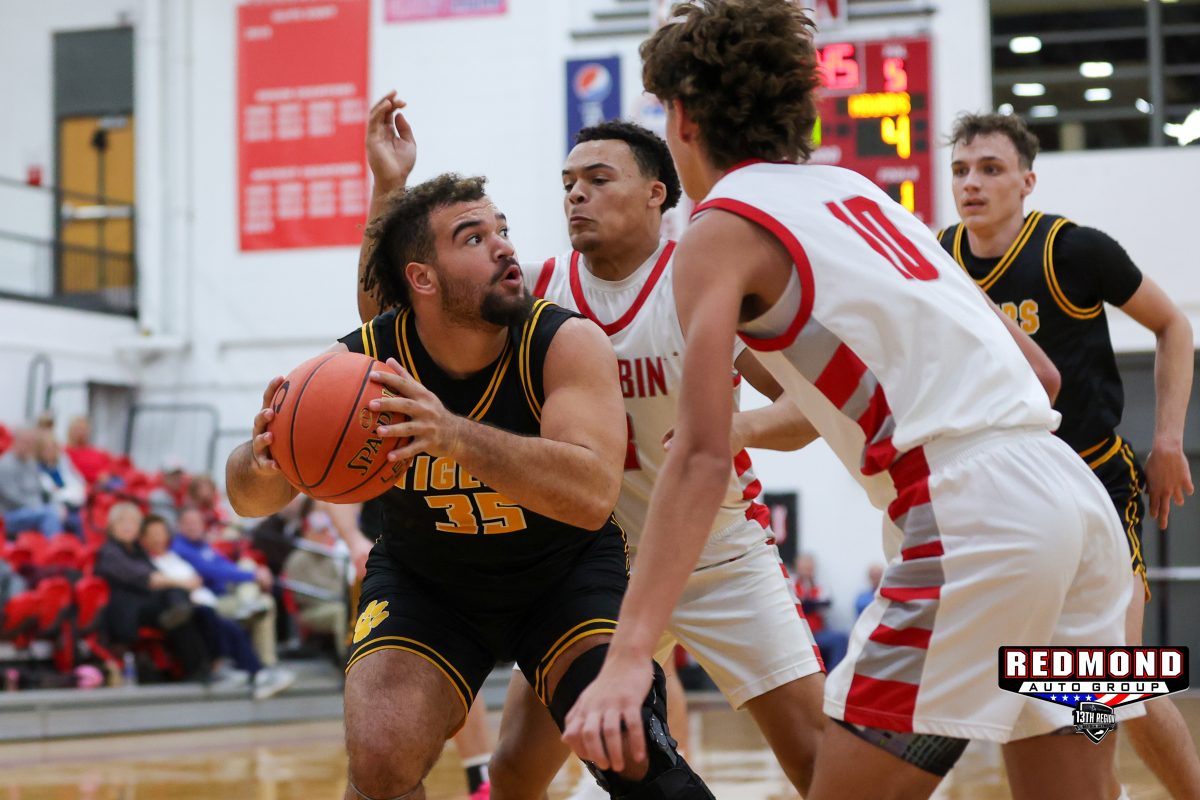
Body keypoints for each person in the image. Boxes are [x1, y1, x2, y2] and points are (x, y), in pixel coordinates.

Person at [563, 3, 1134, 800]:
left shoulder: (718, 231)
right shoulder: (862, 195)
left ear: (683, 117)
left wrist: (630, 657)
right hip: (1078, 506)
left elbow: (697, 458)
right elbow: (1041, 376)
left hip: (972, 520)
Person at [359, 99, 825, 797]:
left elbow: (809, 407)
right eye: (568, 183)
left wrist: (743, 429)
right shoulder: (537, 289)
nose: (576, 194)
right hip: (595, 569)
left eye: (599, 179)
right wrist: (389, 188)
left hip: (716, 557)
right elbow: (393, 316)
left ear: (656, 193)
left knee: (816, 756)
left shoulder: (699, 280)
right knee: (514, 772)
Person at [226, 172, 712, 800]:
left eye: (502, 230)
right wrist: (263, 459)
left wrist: (452, 433)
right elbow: (247, 499)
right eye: (474, 238)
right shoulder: (363, 366)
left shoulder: (562, 342)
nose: (504, 246)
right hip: (428, 583)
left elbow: (593, 496)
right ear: (423, 278)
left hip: (561, 578)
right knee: (379, 758)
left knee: (631, 749)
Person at [940, 111, 1199, 800]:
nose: (971, 183)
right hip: (1011, 497)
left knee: (1117, 678)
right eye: (961, 170)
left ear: (1027, 182)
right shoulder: (939, 259)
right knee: (1057, 686)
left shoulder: (1072, 250)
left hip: (1095, 481)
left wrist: (1167, 439)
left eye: (990, 169)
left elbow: (1173, 325)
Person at [171, 506, 294, 698]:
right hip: (210, 602)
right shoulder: (180, 548)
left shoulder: (203, 546)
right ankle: (263, 666)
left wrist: (253, 573)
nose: (193, 526)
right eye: (188, 523)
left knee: (265, 602)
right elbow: (212, 571)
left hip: (227, 596)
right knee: (252, 580)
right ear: (179, 526)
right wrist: (253, 575)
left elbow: (225, 565)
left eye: (196, 522)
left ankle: (267, 664)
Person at [93, 501, 211, 682]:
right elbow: (148, 579)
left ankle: (200, 669)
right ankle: (180, 614)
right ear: (111, 526)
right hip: (126, 612)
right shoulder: (110, 552)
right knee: (176, 598)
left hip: (148, 605)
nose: (127, 526)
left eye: (132, 522)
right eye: (122, 522)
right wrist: (184, 584)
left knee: (189, 614)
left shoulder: (138, 552)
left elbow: (158, 576)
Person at [0, 427, 66, 538]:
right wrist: (39, 507)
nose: (29, 446)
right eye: (26, 442)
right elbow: (12, 497)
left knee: (69, 514)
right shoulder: (4, 465)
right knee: (49, 514)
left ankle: (71, 546)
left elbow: (42, 490)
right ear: (15, 441)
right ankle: (57, 546)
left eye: (31, 443)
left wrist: (56, 505)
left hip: (35, 510)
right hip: (11, 515)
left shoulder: (31, 463)